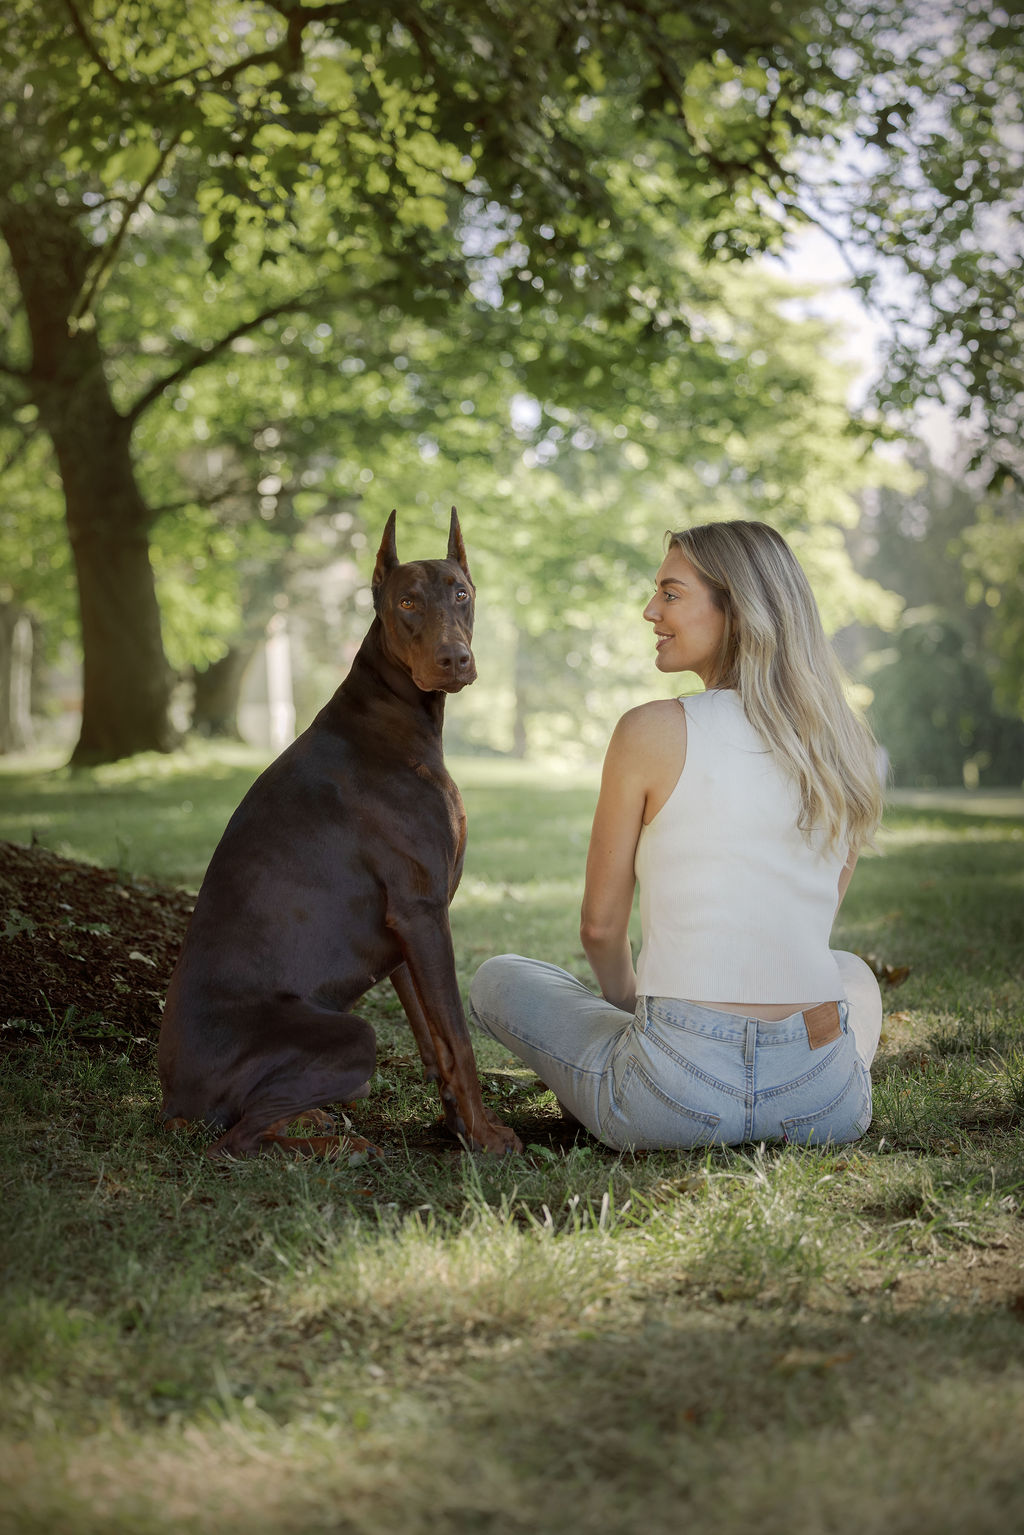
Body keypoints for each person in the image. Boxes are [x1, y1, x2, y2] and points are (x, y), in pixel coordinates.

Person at [469, 520, 884, 1149]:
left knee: (497, 977)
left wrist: (633, 1007)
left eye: (671, 593)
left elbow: (600, 930)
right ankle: (827, 1079)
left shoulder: (648, 731)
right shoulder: (844, 746)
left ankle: (658, 1056)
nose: (649, 611)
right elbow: (811, 924)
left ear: (737, 610)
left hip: (671, 1096)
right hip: (821, 1102)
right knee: (848, 967)